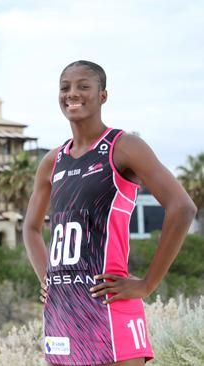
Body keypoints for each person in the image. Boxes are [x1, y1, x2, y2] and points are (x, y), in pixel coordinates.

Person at [23, 60, 197, 365]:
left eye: (83, 86)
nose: (72, 93)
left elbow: (182, 207)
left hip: (110, 304)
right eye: (65, 87)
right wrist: (47, 279)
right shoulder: (52, 161)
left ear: (103, 95)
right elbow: (31, 228)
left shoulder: (124, 147)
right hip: (63, 311)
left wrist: (147, 284)